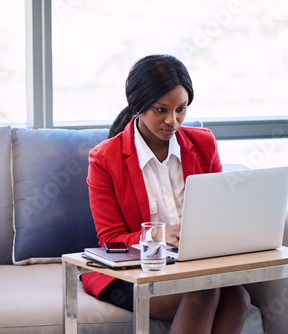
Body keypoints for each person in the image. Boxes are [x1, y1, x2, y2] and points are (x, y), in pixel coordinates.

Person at [81, 54, 251, 333]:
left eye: (181, 109)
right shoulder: (105, 159)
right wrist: (161, 234)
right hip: (130, 270)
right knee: (203, 292)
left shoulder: (203, 144)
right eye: (161, 110)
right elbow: (110, 240)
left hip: (191, 264)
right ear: (138, 105)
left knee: (239, 298)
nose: (173, 121)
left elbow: (219, 210)